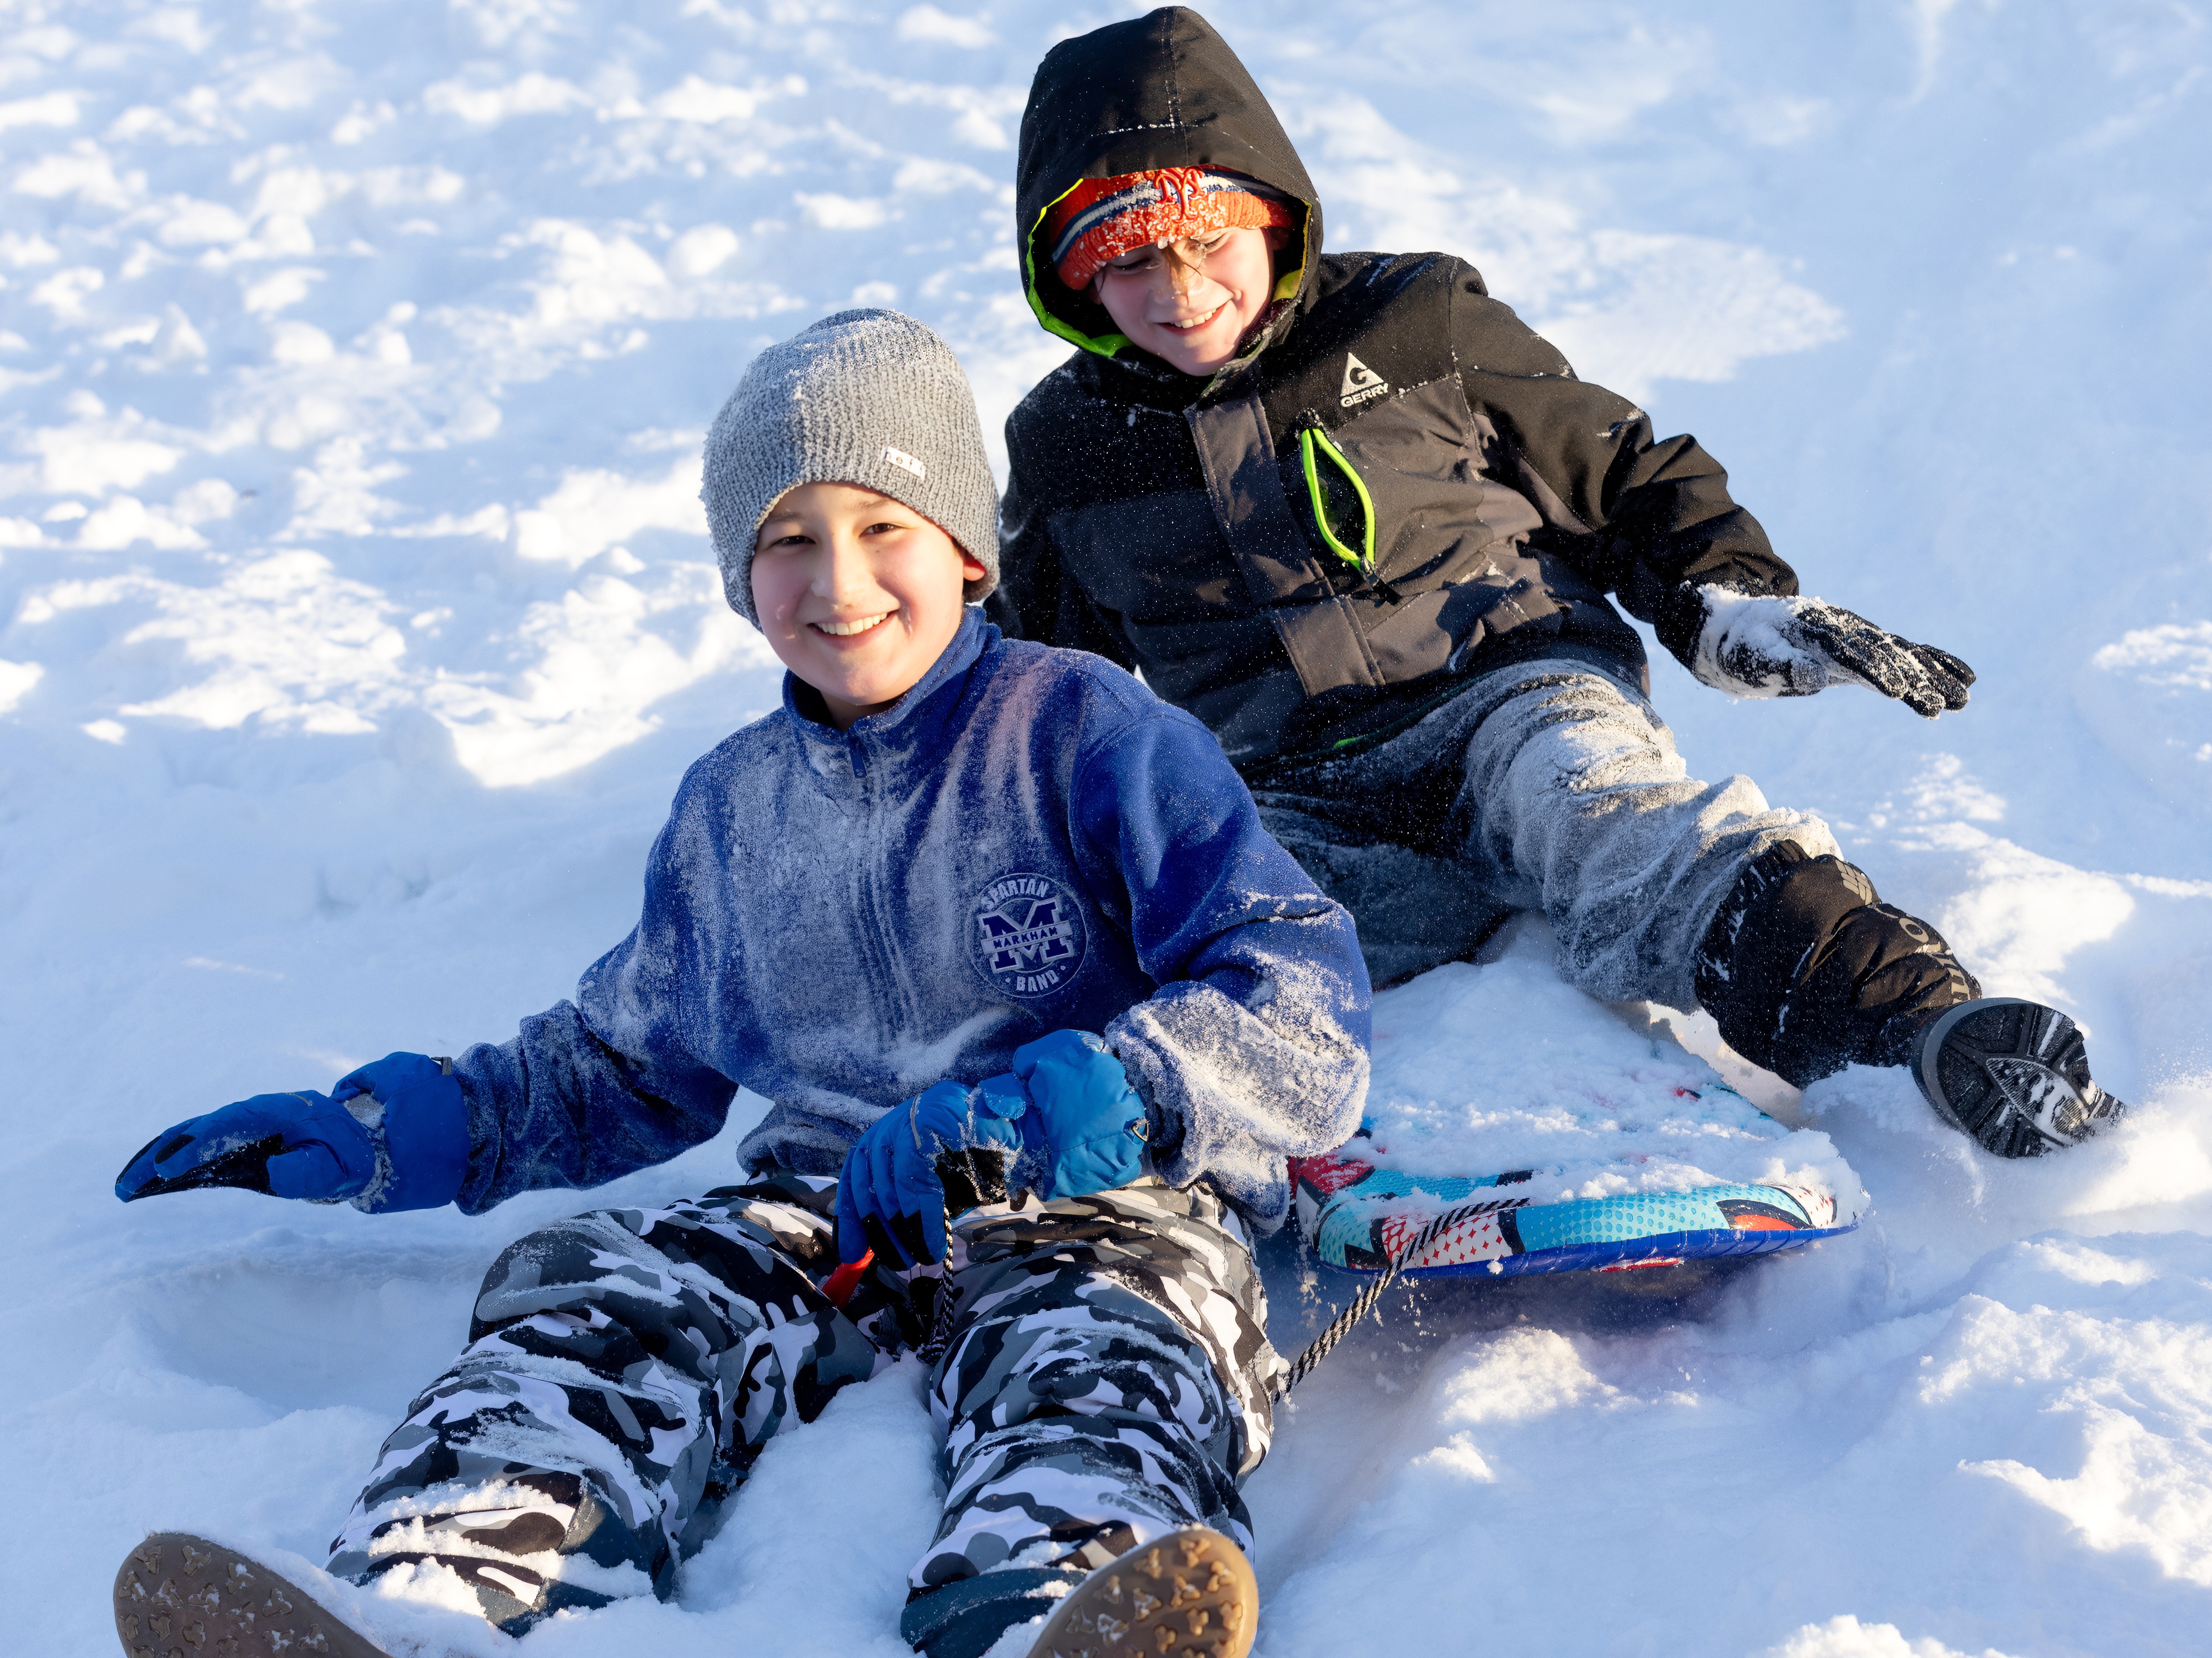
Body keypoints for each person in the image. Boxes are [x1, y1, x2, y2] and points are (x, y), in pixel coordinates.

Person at [110, 310, 1369, 1658]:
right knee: (605, 1313)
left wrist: (1076, 1094)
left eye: (884, 525)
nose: (839, 582)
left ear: (967, 546)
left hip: (1087, 1201)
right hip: (822, 1214)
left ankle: (1053, 1613)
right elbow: (617, 1065)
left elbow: (1299, 998)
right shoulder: (733, 810)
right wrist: (392, 1129)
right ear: (739, 572)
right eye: (787, 539)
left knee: (1101, 1359)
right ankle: (432, 1599)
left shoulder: (1088, 734)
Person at [990, 7, 2124, 1158]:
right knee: (1241, 940)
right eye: (1127, 261)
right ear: (1069, 275)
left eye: (1207, 242)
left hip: (1510, 695)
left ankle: (1926, 1030)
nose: (1178, 292)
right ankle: (1307, 1116)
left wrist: (1724, 602)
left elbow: (1620, 474)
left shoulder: (1410, 317)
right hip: (1291, 784)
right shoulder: (1067, 448)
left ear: (1274, 216)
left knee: (1601, 824)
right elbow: (1036, 685)